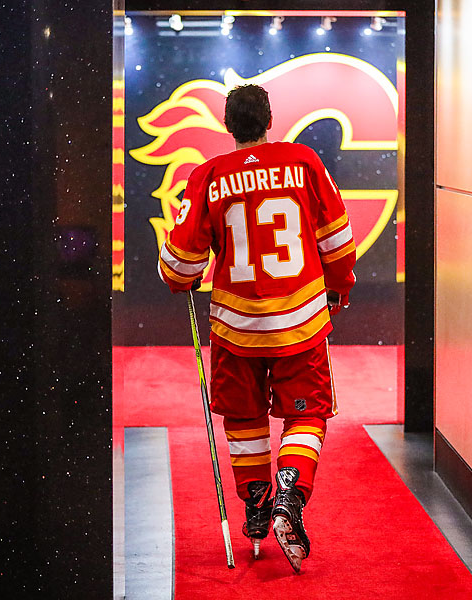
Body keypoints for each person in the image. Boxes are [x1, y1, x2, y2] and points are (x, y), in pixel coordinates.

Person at [157, 84, 356, 573]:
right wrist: (338, 288)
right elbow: (338, 240)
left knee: (243, 416)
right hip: (301, 322)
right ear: (269, 120)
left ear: (228, 126)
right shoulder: (305, 162)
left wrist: (178, 272)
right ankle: (291, 488)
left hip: (235, 326)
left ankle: (255, 503)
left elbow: (178, 266)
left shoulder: (206, 176)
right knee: (307, 414)